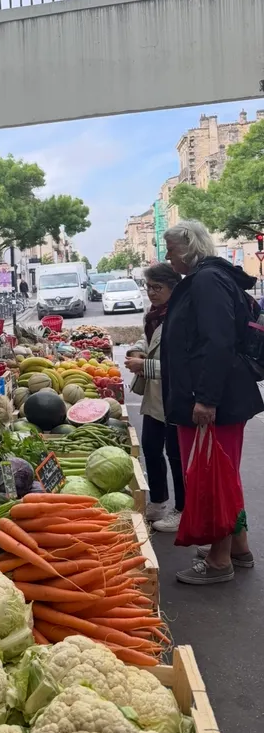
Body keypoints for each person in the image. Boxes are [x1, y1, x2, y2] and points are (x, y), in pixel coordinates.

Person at [161, 219, 264, 585]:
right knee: (222, 476)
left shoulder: (206, 280)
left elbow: (217, 342)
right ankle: (238, 547)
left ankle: (220, 562)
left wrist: (205, 399)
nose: (168, 256)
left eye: (171, 248)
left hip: (211, 402)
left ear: (188, 247)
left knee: (212, 479)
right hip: (212, 398)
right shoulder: (208, 278)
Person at [124, 263, 184, 533]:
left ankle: (182, 509)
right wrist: (137, 351)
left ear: (173, 288)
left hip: (175, 395)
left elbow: (184, 365)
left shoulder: (181, 317)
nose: (151, 293)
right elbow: (146, 340)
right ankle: (158, 500)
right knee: (150, 447)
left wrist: (144, 367)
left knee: (175, 454)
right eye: (148, 287)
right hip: (154, 397)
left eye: (157, 288)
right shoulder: (153, 315)